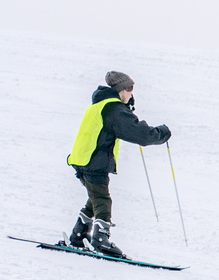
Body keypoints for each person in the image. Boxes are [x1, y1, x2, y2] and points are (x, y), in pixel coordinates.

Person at [65, 71, 171, 258]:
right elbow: (140, 134)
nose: (131, 93)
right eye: (129, 88)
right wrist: (162, 133)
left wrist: (126, 111)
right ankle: (100, 240)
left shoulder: (99, 105)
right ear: (121, 90)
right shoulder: (113, 109)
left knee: (95, 198)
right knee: (102, 200)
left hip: (81, 159)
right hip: (93, 161)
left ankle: (79, 234)